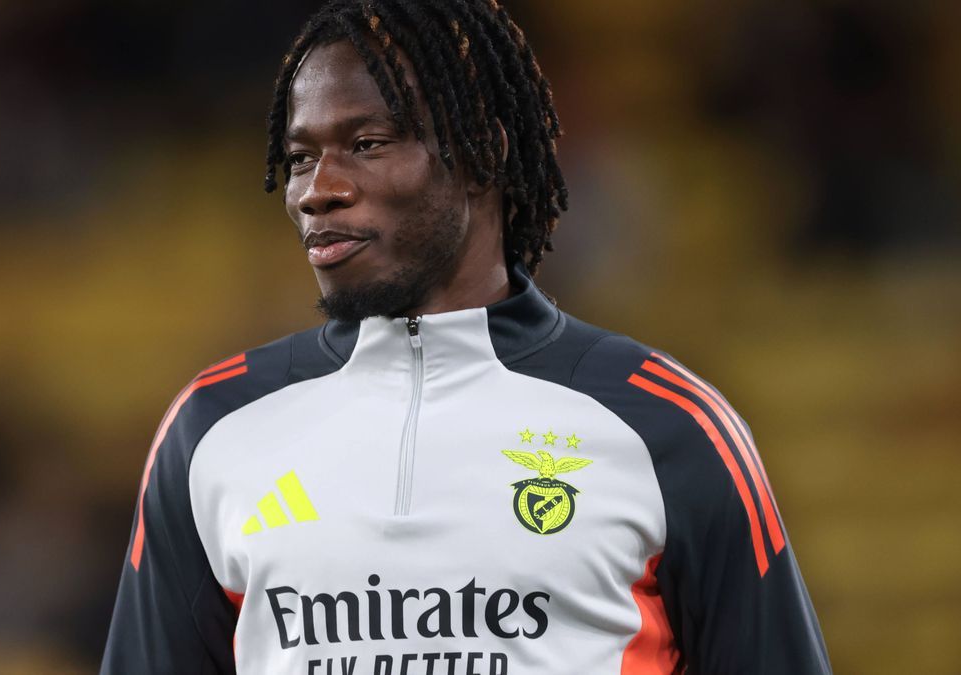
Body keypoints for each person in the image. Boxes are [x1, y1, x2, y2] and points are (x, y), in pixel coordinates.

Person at [101, 1, 831, 673]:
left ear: (482, 151)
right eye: (299, 158)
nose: (317, 189)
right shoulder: (214, 427)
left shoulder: (665, 424)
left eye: (367, 142)